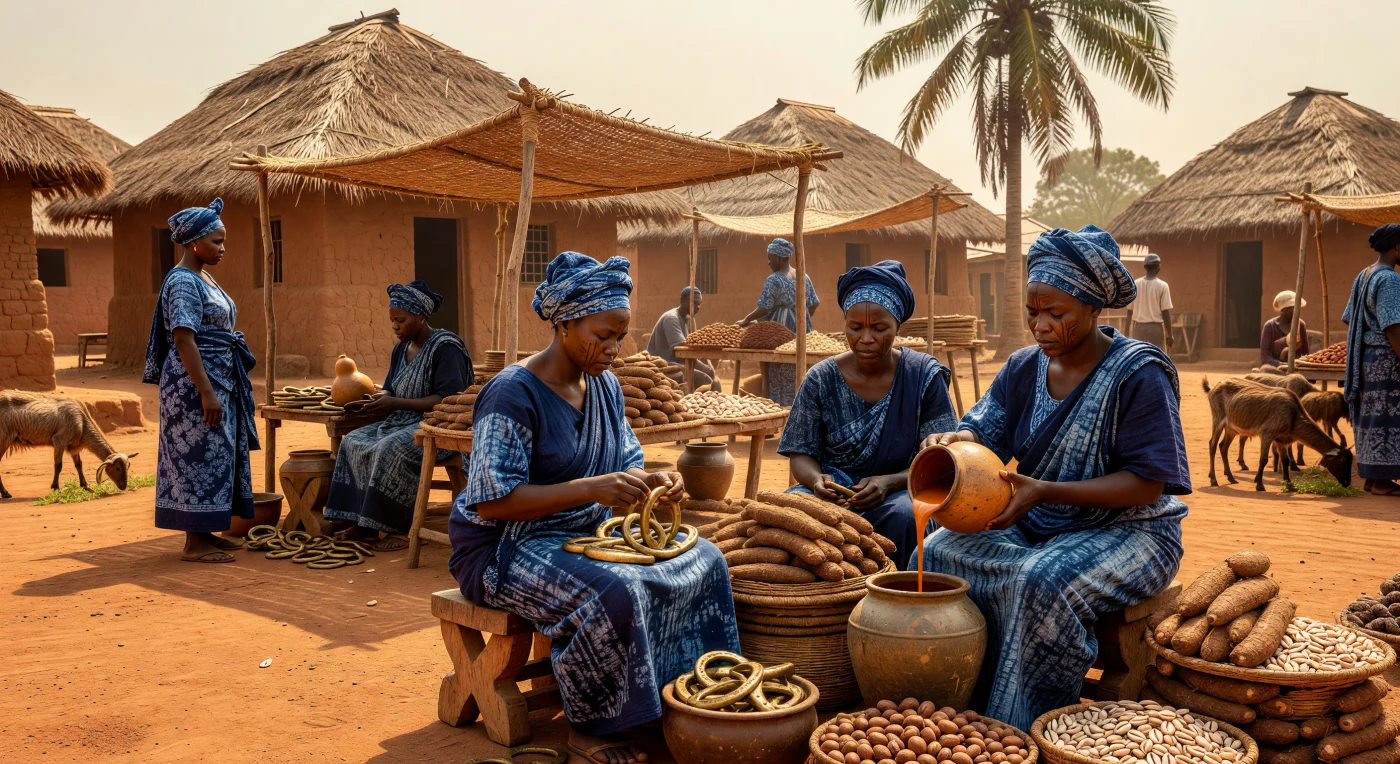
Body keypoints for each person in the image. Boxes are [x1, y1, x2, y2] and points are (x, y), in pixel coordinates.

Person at [448, 252, 738, 764]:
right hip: (504, 549)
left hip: (587, 531)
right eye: (602, 335)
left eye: (621, 336)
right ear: (564, 324)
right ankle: (595, 726)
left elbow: (625, 460)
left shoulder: (603, 386)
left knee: (706, 561)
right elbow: (492, 502)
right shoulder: (512, 395)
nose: (613, 348)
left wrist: (654, 480)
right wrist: (590, 489)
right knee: (615, 590)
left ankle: (675, 702)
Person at [918, 225, 1191, 729]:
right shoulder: (1023, 367)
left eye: (1056, 314)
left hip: (1131, 531)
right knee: (935, 553)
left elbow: (1148, 483)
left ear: (1094, 309)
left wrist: (1046, 490)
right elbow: (982, 431)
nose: (1040, 326)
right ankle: (953, 700)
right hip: (1041, 518)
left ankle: (1020, 724)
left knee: (1040, 579)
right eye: (1032, 313)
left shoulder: (1138, 373)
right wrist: (952, 442)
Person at [780, 260, 957, 568]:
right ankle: (822, 606)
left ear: (897, 326)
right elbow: (800, 454)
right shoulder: (821, 378)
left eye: (879, 328)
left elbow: (944, 460)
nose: (866, 338)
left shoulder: (922, 377)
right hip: (833, 494)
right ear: (844, 324)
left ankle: (898, 599)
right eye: (855, 327)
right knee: (795, 514)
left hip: (901, 491)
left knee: (906, 517)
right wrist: (817, 479)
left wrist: (890, 482)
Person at [144, 198, 258, 563]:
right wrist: (206, 392)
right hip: (194, 386)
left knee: (217, 454)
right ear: (193, 241)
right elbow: (183, 338)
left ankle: (206, 531)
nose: (222, 248)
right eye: (216, 241)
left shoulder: (202, 276)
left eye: (223, 241)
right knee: (197, 455)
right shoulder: (181, 282)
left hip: (217, 378)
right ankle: (195, 543)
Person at [325, 280, 471, 551]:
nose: (395, 326)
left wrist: (394, 403)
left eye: (400, 320)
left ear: (421, 316)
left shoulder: (445, 347)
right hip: (399, 420)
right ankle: (364, 524)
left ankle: (401, 528)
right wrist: (378, 399)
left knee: (389, 450)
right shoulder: (401, 349)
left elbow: (448, 400)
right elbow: (391, 387)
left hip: (435, 426)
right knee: (352, 442)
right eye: (392, 320)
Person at [1342, 224, 1400, 496]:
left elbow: (1349, 318)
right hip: (1387, 362)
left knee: (1372, 417)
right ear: (1396, 247)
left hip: (1366, 359)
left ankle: (1373, 477)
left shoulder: (1363, 275)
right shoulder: (1389, 278)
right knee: (1387, 419)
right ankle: (1382, 480)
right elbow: (1393, 326)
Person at [738, 238, 820, 405]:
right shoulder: (804, 276)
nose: (768, 262)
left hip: (780, 329)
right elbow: (814, 303)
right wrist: (801, 319)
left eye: (770, 258)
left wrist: (746, 319)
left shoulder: (774, 279)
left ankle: (780, 412)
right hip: (802, 329)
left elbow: (764, 307)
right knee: (801, 370)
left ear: (781, 258)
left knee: (778, 370)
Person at [645, 286, 715, 388]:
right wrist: (701, 366)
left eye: (699, 304)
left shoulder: (689, 320)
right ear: (683, 301)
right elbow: (682, 350)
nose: (697, 307)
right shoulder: (671, 318)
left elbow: (694, 345)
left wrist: (707, 363)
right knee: (706, 381)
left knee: (711, 378)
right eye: (694, 303)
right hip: (664, 365)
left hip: (679, 364)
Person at [1125, 253, 1174, 352]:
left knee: (1139, 357)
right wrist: (1169, 334)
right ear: (1158, 267)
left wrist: (1125, 334)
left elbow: (1129, 311)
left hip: (1138, 328)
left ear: (1145, 267)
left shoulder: (1135, 284)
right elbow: (1165, 312)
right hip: (1155, 329)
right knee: (1156, 358)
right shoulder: (1163, 286)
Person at [1259, 290, 1310, 368]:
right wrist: (1283, 365)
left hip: (1296, 367)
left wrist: (1297, 364)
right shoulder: (1270, 326)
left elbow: (1305, 353)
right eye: (1292, 307)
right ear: (1283, 310)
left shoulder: (1301, 325)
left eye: (1296, 307)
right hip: (1276, 367)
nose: (1296, 310)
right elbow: (1265, 358)